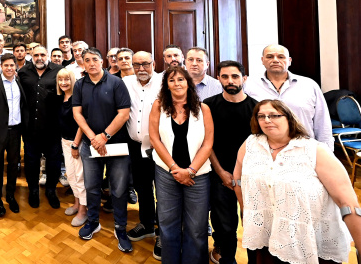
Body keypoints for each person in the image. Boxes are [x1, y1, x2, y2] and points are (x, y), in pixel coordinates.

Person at [234, 99, 361, 264]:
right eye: (261, 116)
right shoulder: (251, 144)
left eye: (274, 115)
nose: (267, 120)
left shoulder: (314, 150)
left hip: (308, 240)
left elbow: (348, 203)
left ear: (289, 118)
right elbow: (238, 180)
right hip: (266, 236)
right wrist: (247, 213)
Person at [149, 65, 214, 264]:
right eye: (172, 80)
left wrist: (190, 170)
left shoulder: (203, 109)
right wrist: (174, 168)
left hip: (198, 174)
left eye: (181, 79)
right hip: (166, 172)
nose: (177, 83)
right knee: (168, 223)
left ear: (188, 83)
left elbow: (208, 143)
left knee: (196, 226)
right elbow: (154, 138)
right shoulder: (158, 106)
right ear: (166, 85)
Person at [71, 47, 132, 252]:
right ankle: (93, 222)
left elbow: (124, 113)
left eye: (95, 59)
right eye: (87, 60)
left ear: (102, 61)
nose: (91, 63)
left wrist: (104, 136)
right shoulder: (80, 84)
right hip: (91, 145)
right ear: (84, 63)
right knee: (92, 186)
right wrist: (93, 138)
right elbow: (77, 114)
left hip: (116, 144)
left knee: (119, 190)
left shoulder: (116, 82)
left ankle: (120, 228)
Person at [204, 60, 257, 264]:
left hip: (250, 175)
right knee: (224, 224)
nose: (230, 81)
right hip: (220, 174)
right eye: (225, 76)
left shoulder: (257, 108)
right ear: (218, 78)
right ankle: (226, 258)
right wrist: (221, 172)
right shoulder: (208, 106)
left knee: (253, 222)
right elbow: (206, 144)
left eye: (235, 76)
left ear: (244, 78)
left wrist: (243, 175)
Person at [244, 44, 333, 148]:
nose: (275, 60)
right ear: (262, 60)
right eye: (270, 57)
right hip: (263, 148)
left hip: (304, 147)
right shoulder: (248, 85)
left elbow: (322, 121)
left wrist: (327, 149)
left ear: (289, 61)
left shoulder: (309, 85)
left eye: (281, 57)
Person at [123, 51, 162, 257]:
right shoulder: (126, 82)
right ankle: (147, 224)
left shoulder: (164, 82)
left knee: (163, 190)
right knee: (142, 186)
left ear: (153, 63)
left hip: (161, 147)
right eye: (136, 65)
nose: (141, 69)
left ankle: (163, 232)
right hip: (136, 146)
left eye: (145, 64)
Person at [0, 53, 28, 217]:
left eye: (11, 65)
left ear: (16, 66)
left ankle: (10, 195)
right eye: (6, 65)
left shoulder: (19, 82)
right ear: (1, 66)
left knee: (14, 165)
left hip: (15, 131)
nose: (9, 68)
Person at [18, 45, 62, 209]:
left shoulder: (59, 71)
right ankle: (33, 190)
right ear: (31, 55)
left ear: (47, 55)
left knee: (54, 162)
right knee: (31, 162)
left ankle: (51, 190)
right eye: (36, 55)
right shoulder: (23, 72)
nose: (39, 58)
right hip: (30, 127)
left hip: (53, 127)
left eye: (42, 54)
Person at [56, 69, 87, 226]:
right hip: (65, 141)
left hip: (77, 142)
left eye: (67, 79)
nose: (63, 83)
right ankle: (76, 203)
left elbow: (82, 123)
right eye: (60, 80)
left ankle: (83, 210)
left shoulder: (77, 98)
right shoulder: (60, 98)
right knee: (71, 175)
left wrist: (75, 144)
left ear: (72, 80)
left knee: (80, 177)